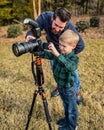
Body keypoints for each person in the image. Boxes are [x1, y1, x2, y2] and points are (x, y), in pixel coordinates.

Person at [25, 7, 85, 104]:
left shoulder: (69, 27)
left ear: (66, 24)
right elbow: (34, 29)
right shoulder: (44, 17)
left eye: (61, 27)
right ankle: (59, 87)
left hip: (64, 52)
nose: (57, 29)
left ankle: (77, 92)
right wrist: (29, 35)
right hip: (52, 49)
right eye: (56, 25)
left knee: (72, 73)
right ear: (52, 18)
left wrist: (66, 55)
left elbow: (81, 45)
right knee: (56, 70)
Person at [37, 29, 79, 130]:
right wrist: (39, 53)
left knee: (71, 108)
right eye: (60, 44)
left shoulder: (74, 58)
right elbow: (49, 55)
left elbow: (71, 67)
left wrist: (58, 54)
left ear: (73, 46)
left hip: (68, 88)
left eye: (64, 46)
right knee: (65, 104)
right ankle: (67, 120)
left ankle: (72, 127)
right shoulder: (59, 52)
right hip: (60, 85)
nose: (60, 47)